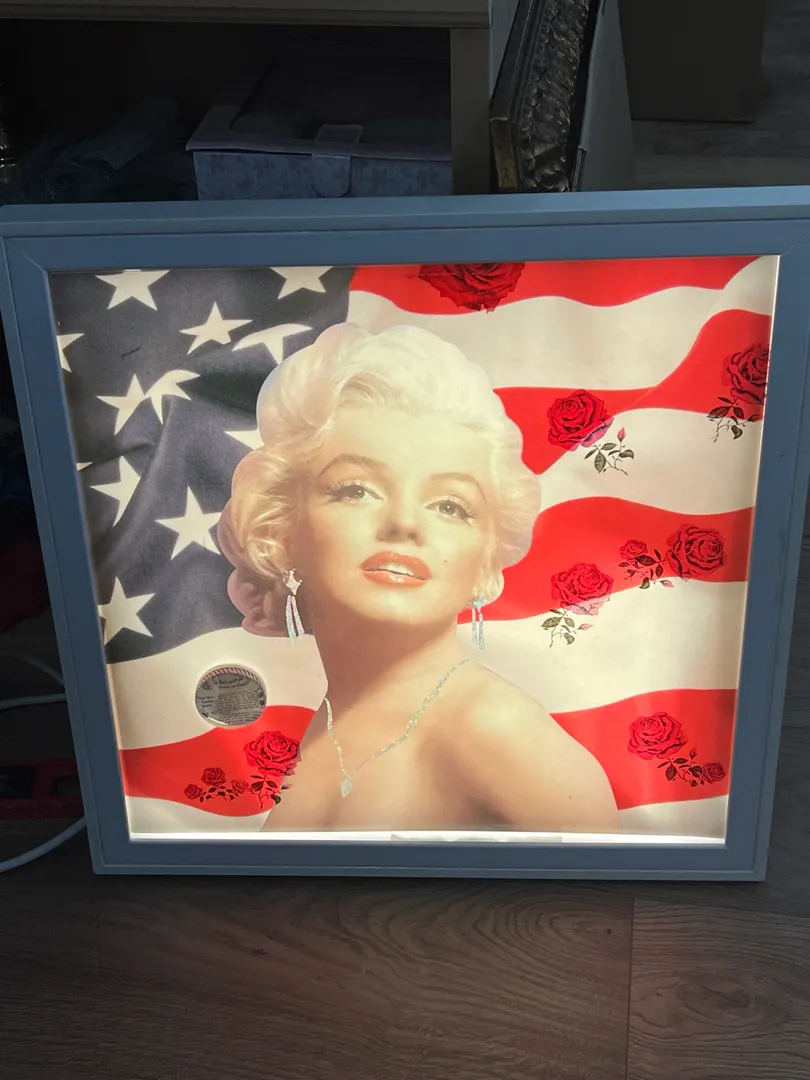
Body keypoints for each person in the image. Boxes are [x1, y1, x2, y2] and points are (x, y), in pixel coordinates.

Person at [218, 323, 619, 834]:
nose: (405, 523)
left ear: (485, 564)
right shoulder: (339, 722)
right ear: (282, 529)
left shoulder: (497, 731)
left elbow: (611, 885)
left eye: (451, 506)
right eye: (355, 489)